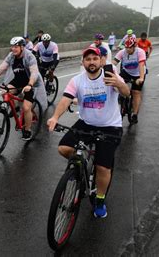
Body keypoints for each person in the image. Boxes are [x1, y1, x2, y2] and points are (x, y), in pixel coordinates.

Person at [47, 46, 129, 218]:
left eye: (94, 59)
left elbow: (127, 93)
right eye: (88, 59)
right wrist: (55, 117)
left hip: (110, 126)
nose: (91, 62)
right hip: (86, 123)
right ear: (83, 62)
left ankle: (99, 199)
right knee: (64, 148)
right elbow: (65, 100)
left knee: (102, 167)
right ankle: (81, 168)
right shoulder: (77, 80)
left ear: (101, 61)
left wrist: (119, 84)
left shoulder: (110, 75)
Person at [0, 36, 47, 141]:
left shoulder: (29, 56)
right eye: (12, 46)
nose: (13, 49)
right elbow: (1, 68)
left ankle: (27, 130)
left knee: (27, 108)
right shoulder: (11, 56)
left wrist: (30, 85)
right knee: (5, 92)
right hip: (18, 81)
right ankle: (15, 109)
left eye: (16, 47)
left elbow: (34, 72)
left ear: (22, 47)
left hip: (30, 83)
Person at [112, 37, 146, 124]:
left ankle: (134, 114)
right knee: (117, 84)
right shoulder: (122, 52)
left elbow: (141, 65)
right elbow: (114, 63)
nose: (127, 49)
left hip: (138, 74)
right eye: (126, 47)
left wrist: (141, 78)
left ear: (134, 46)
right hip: (126, 72)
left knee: (136, 92)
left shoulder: (140, 52)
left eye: (130, 48)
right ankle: (122, 97)